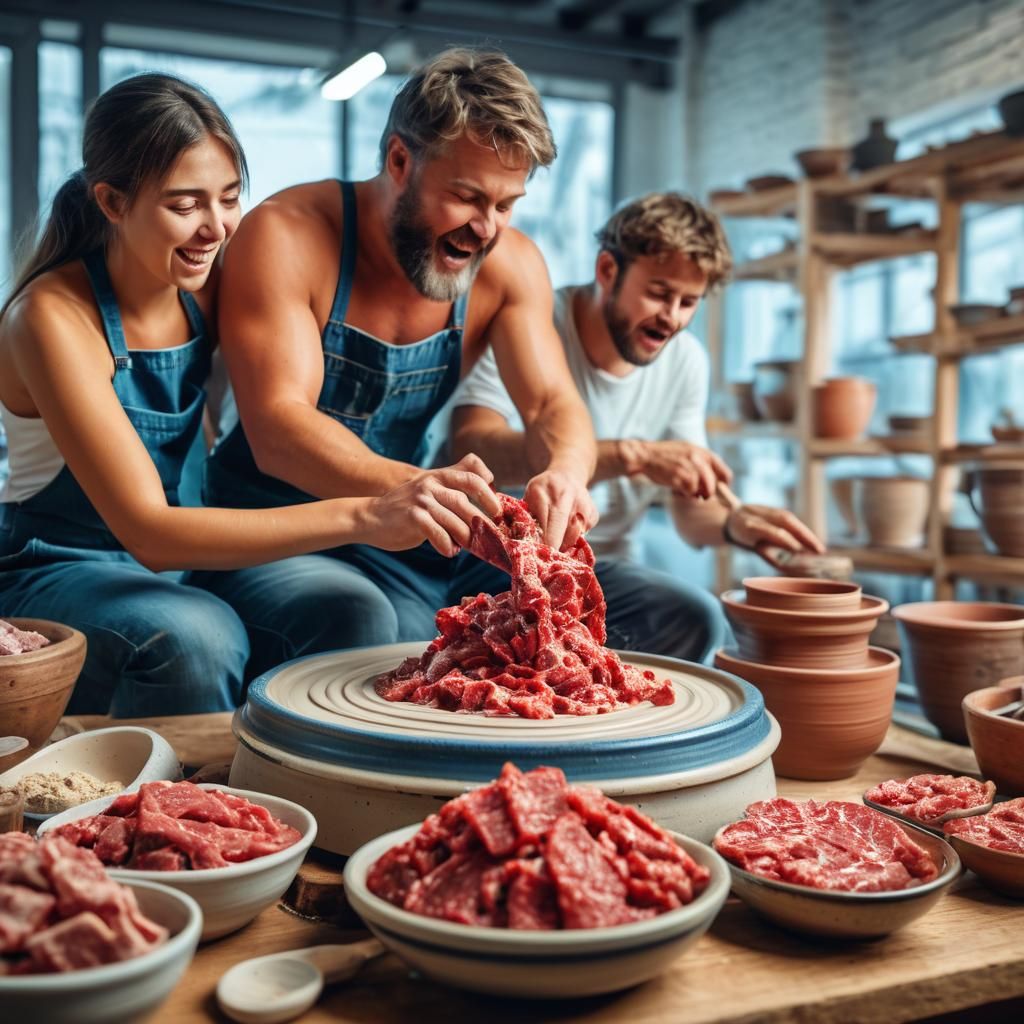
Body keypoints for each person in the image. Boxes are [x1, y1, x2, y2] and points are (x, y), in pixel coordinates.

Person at [0, 73, 499, 716]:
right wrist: (368, 514)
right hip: (57, 565)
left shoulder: (203, 284)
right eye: (185, 206)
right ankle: (167, 782)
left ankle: (305, 770)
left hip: (180, 563)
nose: (216, 228)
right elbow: (149, 531)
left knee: (353, 611)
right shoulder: (50, 318)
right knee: (198, 639)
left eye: (230, 198)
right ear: (112, 202)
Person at [195, 48, 597, 655]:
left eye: (505, 205)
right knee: (369, 624)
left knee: (609, 600)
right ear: (400, 160)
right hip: (273, 531)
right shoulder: (287, 233)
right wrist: (424, 491)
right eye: (466, 196)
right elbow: (278, 428)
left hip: (408, 537)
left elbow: (550, 404)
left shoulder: (511, 266)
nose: (486, 227)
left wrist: (566, 471)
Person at [449, 191, 824, 663]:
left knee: (697, 617)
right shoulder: (535, 323)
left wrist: (734, 525)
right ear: (607, 270)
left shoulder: (685, 361)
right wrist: (633, 456)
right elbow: (470, 444)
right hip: (497, 560)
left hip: (606, 570)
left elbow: (690, 513)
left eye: (689, 302)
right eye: (659, 293)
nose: (672, 317)